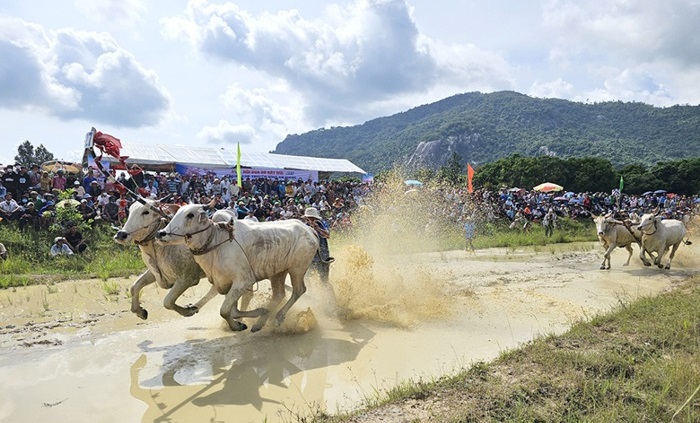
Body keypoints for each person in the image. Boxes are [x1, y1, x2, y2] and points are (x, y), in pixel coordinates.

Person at [302, 207, 334, 283]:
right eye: (308, 218)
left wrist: (317, 228)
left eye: (311, 218)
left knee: (324, 281)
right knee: (305, 278)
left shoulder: (320, 224)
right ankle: (309, 293)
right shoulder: (304, 227)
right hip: (309, 258)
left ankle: (328, 294)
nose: (309, 220)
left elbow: (327, 235)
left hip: (323, 257)